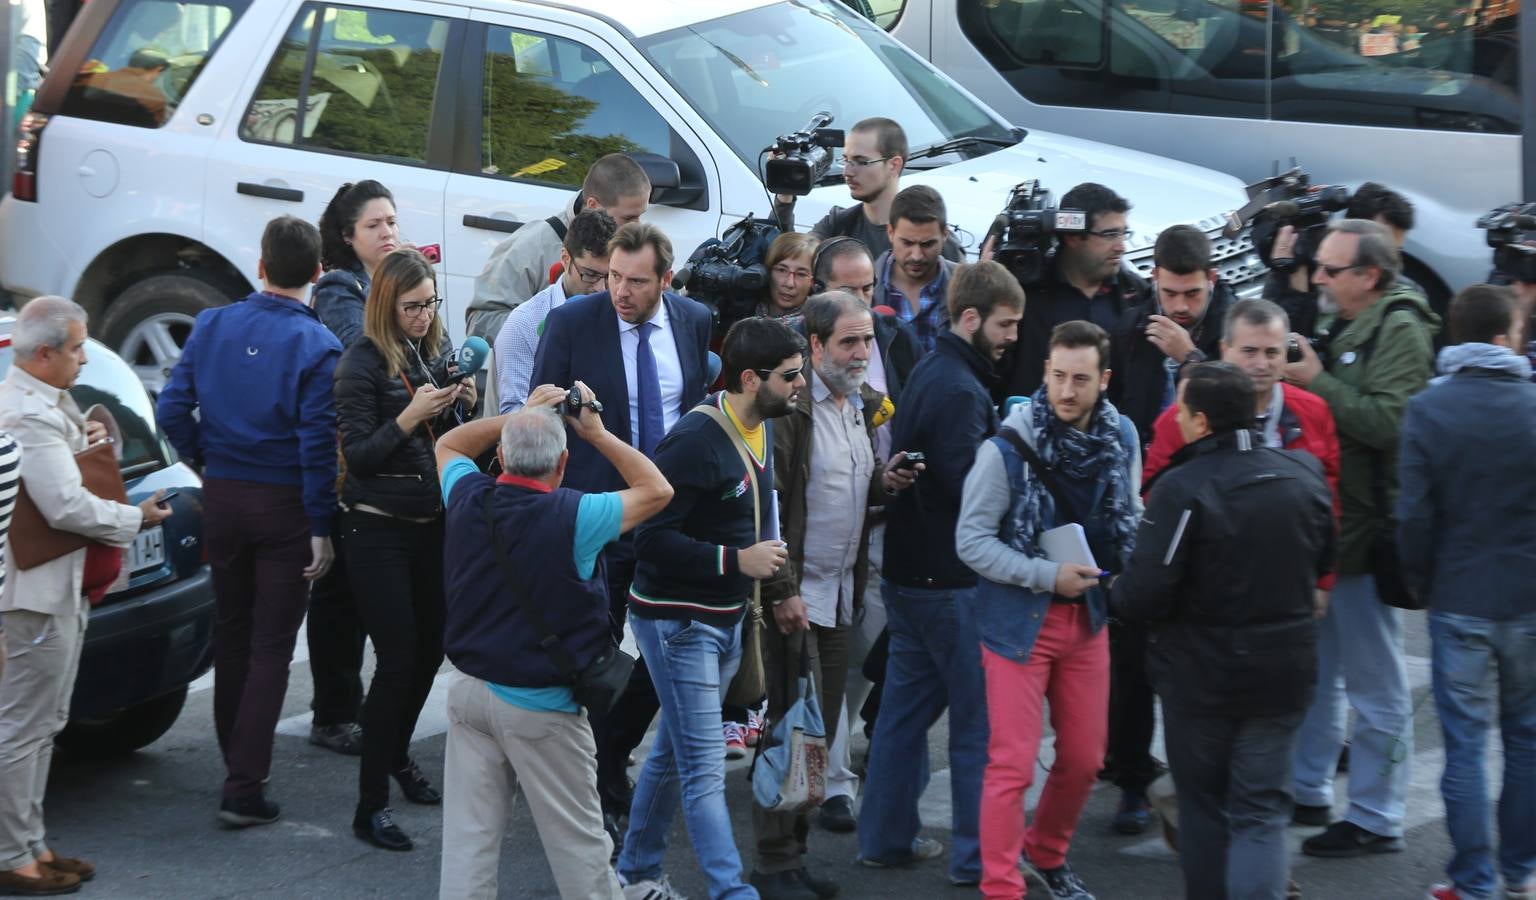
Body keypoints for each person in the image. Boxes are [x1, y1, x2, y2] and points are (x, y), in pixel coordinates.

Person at [434, 384, 673, 900]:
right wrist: (597, 432)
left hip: (471, 692)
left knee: (468, 845)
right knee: (579, 847)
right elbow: (657, 490)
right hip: (542, 708)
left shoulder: (469, 496)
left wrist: (519, 417)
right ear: (563, 464)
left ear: (500, 459)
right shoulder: (578, 516)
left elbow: (449, 446)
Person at [1115, 363, 1335, 900]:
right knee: (1261, 812)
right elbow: (1324, 559)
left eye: (1183, 410)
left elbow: (1143, 593)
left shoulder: (1181, 487)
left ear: (1200, 420)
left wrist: (1109, 592)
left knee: (1205, 809)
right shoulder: (1303, 474)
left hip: (1202, 678)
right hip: (1285, 671)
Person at [530, 222, 713, 851]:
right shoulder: (574, 323)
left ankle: (612, 760)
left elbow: (693, 411)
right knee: (595, 655)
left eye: (637, 281)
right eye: (613, 276)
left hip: (668, 517)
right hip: (599, 515)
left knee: (670, 651)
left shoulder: (692, 320)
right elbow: (539, 413)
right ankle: (595, 788)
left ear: (666, 279)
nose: (621, 292)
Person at [157, 215, 342, 828]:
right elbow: (319, 445)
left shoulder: (212, 323)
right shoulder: (319, 345)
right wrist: (321, 525)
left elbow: (171, 408)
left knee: (232, 633)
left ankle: (234, 759)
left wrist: (207, 460)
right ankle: (244, 783)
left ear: (261, 264)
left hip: (225, 497)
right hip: (285, 504)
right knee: (270, 646)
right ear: (318, 274)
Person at [618, 317, 805, 900]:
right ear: (752, 379)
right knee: (704, 771)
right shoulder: (695, 441)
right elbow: (646, 539)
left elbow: (755, 526)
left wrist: (769, 584)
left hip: (722, 620)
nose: (800, 385)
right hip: (679, 625)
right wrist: (736, 561)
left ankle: (635, 874)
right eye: (790, 376)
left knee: (675, 757)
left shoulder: (763, 426)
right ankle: (732, 892)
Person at [957, 319, 1141, 900]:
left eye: (1080, 379)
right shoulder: (1006, 448)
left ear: (1103, 380)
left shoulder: (1122, 437)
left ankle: (1046, 852)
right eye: (1058, 376)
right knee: (1011, 766)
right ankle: (1002, 886)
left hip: (1087, 617)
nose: (1066, 391)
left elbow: (1127, 517)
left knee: (1086, 758)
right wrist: (1045, 575)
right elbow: (971, 542)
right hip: (1018, 623)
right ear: (1044, 372)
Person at [858, 261, 1024, 886]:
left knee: (902, 716)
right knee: (977, 728)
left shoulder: (935, 367)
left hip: (911, 574)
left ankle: (884, 838)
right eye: (1006, 325)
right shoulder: (960, 390)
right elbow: (966, 491)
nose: (1012, 337)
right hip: (951, 584)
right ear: (973, 318)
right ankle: (978, 857)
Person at [0, 297, 169, 896]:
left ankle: (29, 843)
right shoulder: (25, 411)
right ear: (43, 354)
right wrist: (135, 517)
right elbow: (65, 505)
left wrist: (92, 435)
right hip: (37, 594)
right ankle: (11, 855)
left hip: (59, 585)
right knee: (25, 725)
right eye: (75, 348)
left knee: (46, 722)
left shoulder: (47, 399)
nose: (82, 358)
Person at [1281, 218, 1438, 858]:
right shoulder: (1348, 319)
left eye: (1330, 269)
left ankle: (1377, 815)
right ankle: (1309, 787)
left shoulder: (1399, 327)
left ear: (1368, 277)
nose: (1317, 277)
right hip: (1331, 532)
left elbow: (1391, 421)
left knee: (1376, 686)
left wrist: (1317, 381)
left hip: (1368, 537)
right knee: (1317, 675)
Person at [333, 249, 476, 851]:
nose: (424, 316)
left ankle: (394, 756)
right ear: (387, 305)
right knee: (395, 661)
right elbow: (359, 455)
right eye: (413, 307)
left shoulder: (427, 353)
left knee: (428, 653)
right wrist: (413, 413)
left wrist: (459, 404)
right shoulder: (360, 363)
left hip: (428, 524)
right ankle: (370, 807)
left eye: (431, 303)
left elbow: (439, 446)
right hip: (375, 529)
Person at [1396, 285, 1536, 900]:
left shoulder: (1431, 409)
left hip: (1458, 596)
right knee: (1527, 739)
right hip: (1529, 599)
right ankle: (1520, 873)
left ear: (1457, 337)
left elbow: (1415, 516)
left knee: (1466, 747)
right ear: (1507, 336)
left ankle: (1473, 881)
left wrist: (1422, 579)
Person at [751, 292, 890, 899]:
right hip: (795, 601)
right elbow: (770, 510)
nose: (861, 354)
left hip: (837, 599)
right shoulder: (792, 412)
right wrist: (781, 592)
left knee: (816, 736)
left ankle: (794, 855)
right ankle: (772, 863)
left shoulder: (860, 406)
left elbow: (845, 492)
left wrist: (888, 483)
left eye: (867, 342)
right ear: (814, 345)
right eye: (848, 343)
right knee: (791, 732)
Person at [806, 237, 920, 825]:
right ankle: (819, 789)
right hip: (804, 569)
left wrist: (886, 483)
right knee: (807, 683)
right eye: (846, 293)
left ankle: (823, 773)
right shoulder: (795, 395)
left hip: (867, 545)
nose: (861, 306)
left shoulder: (883, 354)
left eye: (867, 291)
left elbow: (863, 463)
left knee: (857, 660)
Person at [306, 178, 412, 757]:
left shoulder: (390, 281)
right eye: (375, 225)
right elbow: (366, 345)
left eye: (392, 221)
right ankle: (333, 713)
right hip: (347, 459)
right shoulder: (339, 290)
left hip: (394, 457)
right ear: (348, 237)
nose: (389, 232)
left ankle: (366, 711)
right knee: (341, 594)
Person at [468, 154, 651, 342]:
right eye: (629, 218)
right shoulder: (534, 247)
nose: (637, 227)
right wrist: (550, 333)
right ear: (593, 206)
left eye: (640, 215)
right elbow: (481, 321)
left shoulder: (637, 250)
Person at [996, 182, 1146, 401]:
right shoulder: (1025, 294)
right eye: (1110, 234)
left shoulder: (1134, 294)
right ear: (1073, 236)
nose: (1121, 246)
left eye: (1123, 234)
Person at [1109, 224, 1236, 446]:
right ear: (1155, 277)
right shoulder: (1131, 328)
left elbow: (1235, 409)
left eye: (1192, 293)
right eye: (1170, 293)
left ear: (1211, 279)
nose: (1181, 307)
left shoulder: (1235, 329)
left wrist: (1190, 358)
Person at [771, 117, 961, 262]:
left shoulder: (932, 237)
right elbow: (789, 260)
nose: (848, 171)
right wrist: (785, 194)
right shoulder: (838, 224)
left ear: (894, 165)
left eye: (861, 162)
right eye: (846, 160)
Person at [494, 209, 617, 413]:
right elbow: (513, 413)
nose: (600, 289)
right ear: (565, 258)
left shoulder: (623, 310)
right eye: (590, 275)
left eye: (610, 276)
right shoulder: (524, 324)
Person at [1265, 182, 1419, 339]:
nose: (1391, 258)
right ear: (1350, 230)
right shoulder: (1296, 262)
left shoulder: (1403, 299)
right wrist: (1297, 283)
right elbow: (1274, 342)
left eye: (1396, 250)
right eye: (1382, 247)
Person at [873, 185, 961, 354]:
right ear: (890, 232)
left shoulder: (966, 289)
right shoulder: (865, 288)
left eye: (927, 244)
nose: (917, 256)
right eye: (907, 243)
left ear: (945, 234)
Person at [757, 233, 820, 318]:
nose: (789, 284)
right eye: (782, 270)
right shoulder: (744, 304)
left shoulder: (817, 322)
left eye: (801, 274)